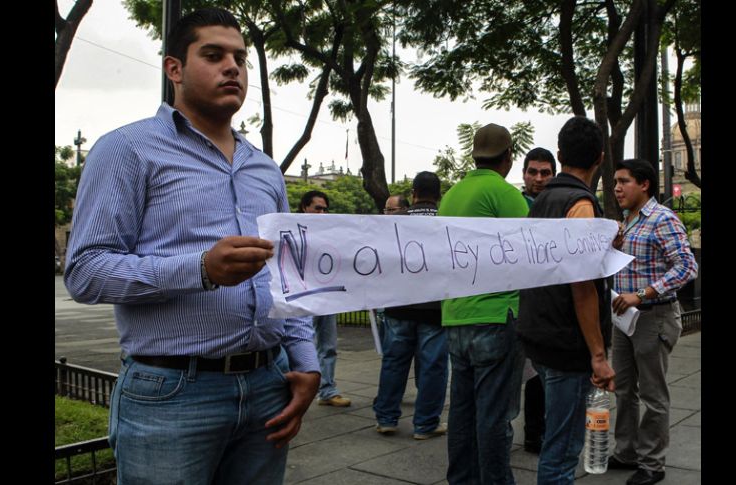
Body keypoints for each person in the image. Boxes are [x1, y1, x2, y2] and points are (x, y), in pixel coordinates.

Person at [63, 8, 320, 484]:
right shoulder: (128, 149)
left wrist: (306, 363)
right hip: (172, 391)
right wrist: (200, 269)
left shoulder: (263, 168)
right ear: (174, 69)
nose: (233, 68)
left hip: (268, 386)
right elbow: (85, 271)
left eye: (240, 58)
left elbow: (289, 274)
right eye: (213, 54)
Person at [516, 116, 616, 485]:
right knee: (562, 451)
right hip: (567, 345)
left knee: (555, 441)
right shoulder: (580, 204)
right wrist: (599, 355)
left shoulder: (542, 201)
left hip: (539, 334)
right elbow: (581, 284)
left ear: (559, 155)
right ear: (600, 159)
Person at [438, 123, 528, 485]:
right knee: (493, 416)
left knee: (461, 413)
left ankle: (461, 479)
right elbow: (532, 249)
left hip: (456, 316)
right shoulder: (503, 193)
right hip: (496, 315)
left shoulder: (451, 196)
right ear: (508, 157)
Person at [609, 159, 698, 485]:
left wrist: (643, 294)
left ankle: (652, 463)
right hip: (624, 319)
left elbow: (687, 268)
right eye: (616, 181)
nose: (617, 187)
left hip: (654, 316)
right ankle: (627, 452)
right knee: (623, 390)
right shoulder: (627, 220)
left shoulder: (663, 219)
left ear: (644, 184)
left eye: (624, 181)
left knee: (653, 395)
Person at [373, 172, 449, 440]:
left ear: (413, 194)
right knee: (433, 367)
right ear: (438, 195)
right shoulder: (446, 222)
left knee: (394, 363)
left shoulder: (394, 222)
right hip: (434, 308)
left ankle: (386, 418)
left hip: (398, 304)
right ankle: (426, 424)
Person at [298, 190, 352, 407]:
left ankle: (327, 390)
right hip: (303, 298)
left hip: (327, 296)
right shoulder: (293, 232)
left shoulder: (330, 233)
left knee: (328, 345)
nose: (322, 212)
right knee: (300, 343)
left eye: (325, 209)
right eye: (317, 208)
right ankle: (297, 389)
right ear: (304, 208)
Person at [519, 147, 557, 454]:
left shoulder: (559, 205)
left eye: (545, 172)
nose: (539, 178)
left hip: (548, 304)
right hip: (517, 302)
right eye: (533, 172)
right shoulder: (516, 205)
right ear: (523, 174)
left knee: (539, 375)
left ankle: (536, 433)